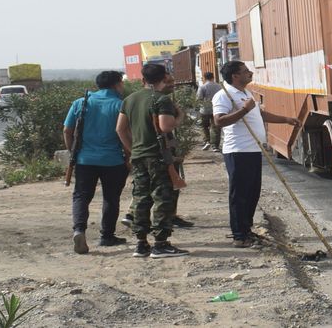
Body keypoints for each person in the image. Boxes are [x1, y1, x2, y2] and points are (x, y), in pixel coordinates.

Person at [212, 60, 299, 248]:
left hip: (253, 150)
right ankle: (239, 236)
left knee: (252, 193)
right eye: (245, 71)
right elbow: (219, 121)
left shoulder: (245, 93)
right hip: (238, 151)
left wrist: (285, 119)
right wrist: (245, 109)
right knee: (240, 194)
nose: (250, 73)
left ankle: (247, 230)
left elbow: (259, 114)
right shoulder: (224, 95)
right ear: (235, 76)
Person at [116, 63, 189, 259]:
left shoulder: (130, 99)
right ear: (164, 78)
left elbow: (120, 129)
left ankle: (141, 243)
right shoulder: (161, 99)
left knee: (141, 198)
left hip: (139, 156)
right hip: (158, 156)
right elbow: (166, 127)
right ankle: (160, 243)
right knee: (162, 198)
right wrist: (179, 117)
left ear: (143, 79)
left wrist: (133, 149)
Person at [64, 71, 129, 254]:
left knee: (81, 196)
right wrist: (129, 157)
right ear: (116, 84)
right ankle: (107, 236)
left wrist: (73, 152)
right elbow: (125, 133)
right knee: (111, 198)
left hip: (85, 159)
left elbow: (67, 131)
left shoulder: (80, 103)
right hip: (113, 160)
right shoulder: (121, 105)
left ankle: (79, 230)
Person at [197, 72, 221, 151]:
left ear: (204, 78)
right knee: (216, 127)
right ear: (213, 77)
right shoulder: (219, 86)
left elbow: (199, 98)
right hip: (216, 109)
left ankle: (207, 141)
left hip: (205, 110)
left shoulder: (202, 87)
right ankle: (215, 146)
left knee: (204, 126)